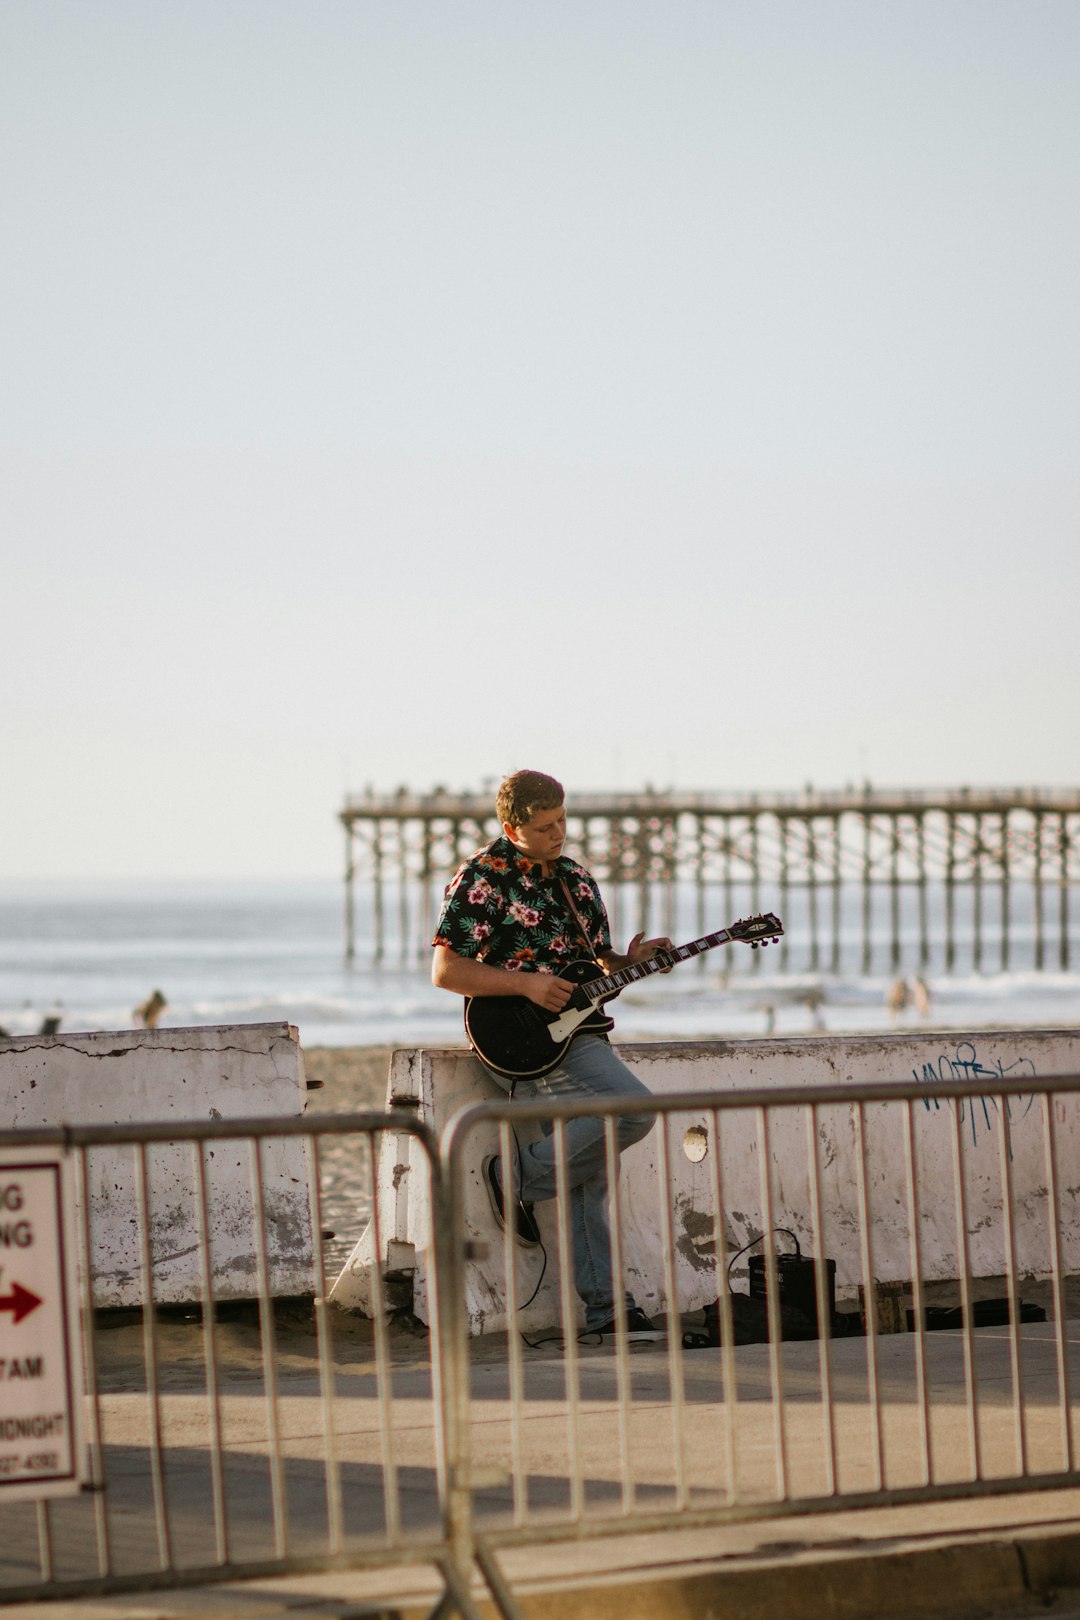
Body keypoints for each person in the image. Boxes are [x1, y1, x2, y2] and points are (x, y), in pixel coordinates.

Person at [431, 769, 672, 1343]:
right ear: (512, 828)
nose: (559, 833)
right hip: (516, 1037)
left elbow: (593, 965)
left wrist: (627, 959)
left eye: (563, 821)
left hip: (580, 1030)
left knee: (589, 1173)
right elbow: (446, 972)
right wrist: (527, 985)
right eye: (544, 827)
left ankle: (607, 1313)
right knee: (632, 1110)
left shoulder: (576, 879)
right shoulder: (482, 878)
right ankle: (518, 1174)